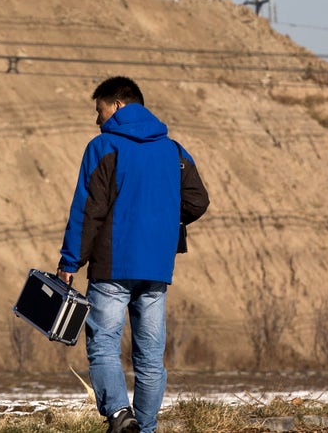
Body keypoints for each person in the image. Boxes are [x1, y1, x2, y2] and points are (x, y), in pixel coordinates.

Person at [57, 76, 209, 433]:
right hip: (157, 266)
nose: (98, 119)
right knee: (150, 356)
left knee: (104, 345)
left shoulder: (104, 146)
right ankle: (146, 428)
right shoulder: (174, 150)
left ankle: (119, 415)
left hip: (113, 265)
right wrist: (161, 222)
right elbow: (198, 201)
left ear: (119, 105)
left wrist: (69, 262)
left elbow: (88, 210)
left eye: (101, 110)